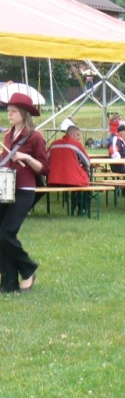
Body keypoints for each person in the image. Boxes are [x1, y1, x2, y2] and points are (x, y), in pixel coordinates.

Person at [0, 93, 49, 293]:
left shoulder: (35, 137)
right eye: (8, 110)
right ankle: (9, 283)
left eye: (13, 111)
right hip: (5, 189)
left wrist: (27, 158)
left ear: (24, 113)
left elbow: (44, 168)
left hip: (24, 190)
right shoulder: (7, 135)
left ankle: (28, 269)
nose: (9, 114)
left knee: (6, 233)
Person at [48, 124, 90, 214]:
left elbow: (45, 159)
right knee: (85, 185)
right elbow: (87, 162)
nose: (79, 138)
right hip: (73, 180)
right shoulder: (76, 145)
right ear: (71, 134)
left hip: (54, 180)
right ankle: (83, 209)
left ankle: (74, 204)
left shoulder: (53, 144)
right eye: (78, 135)